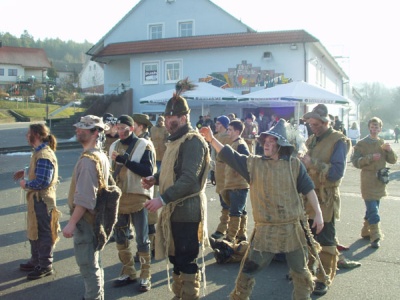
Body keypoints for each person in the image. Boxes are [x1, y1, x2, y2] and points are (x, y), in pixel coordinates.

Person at [200, 119, 324, 300]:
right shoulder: (254, 164)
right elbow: (230, 156)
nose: (266, 144)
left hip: (291, 230)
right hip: (266, 232)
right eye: (265, 141)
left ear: (281, 145)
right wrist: (212, 139)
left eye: (272, 141)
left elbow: (309, 189)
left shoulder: (293, 165)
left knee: (301, 273)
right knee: (247, 273)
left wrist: (319, 214)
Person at [143, 79, 210, 300]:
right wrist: (155, 178)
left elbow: (189, 179)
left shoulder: (192, 142)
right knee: (175, 256)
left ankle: (189, 295)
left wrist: (162, 198)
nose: (168, 122)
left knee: (186, 257)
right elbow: (172, 170)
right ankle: (180, 293)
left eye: (172, 119)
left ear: (183, 118)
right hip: (175, 210)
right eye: (168, 118)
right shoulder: (177, 140)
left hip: (187, 211)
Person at [301, 104, 351, 295]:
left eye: (316, 124)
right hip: (308, 196)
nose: (312, 127)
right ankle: (307, 271)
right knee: (308, 235)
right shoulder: (312, 139)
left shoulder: (338, 141)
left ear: (325, 122)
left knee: (326, 239)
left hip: (326, 197)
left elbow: (336, 173)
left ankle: (324, 278)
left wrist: (311, 163)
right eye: (310, 124)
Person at [62, 115, 111, 299]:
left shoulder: (89, 160)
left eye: (83, 128)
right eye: (78, 127)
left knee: (88, 267)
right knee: (95, 264)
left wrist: (71, 223)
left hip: (86, 222)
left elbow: (84, 199)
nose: (78, 130)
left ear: (95, 133)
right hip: (95, 220)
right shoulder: (100, 156)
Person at [109, 114, 155, 292]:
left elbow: (148, 170)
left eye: (124, 128)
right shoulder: (114, 145)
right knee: (121, 236)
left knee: (142, 238)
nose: (120, 131)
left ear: (132, 127)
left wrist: (125, 161)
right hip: (119, 197)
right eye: (118, 128)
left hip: (138, 195)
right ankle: (128, 271)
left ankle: (145, 274)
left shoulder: (144, 144)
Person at [13, 123, 60, 280]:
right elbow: (38, 171)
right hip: (37, 200)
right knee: (34, 229)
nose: (27, 135)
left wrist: (25, 183)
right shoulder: (39, 153)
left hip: (43, 201)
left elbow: (42, 182)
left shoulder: (44, 155)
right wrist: (26, 171)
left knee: (44, 233)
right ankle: (36, 261)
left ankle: (45, 265)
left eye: (29, 133)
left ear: (37, 135)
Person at [351, 117, 397, 248]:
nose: (374, 129)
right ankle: (376, 236)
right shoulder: (361, 143)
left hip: (380, 180)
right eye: (372, 127)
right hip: (367, 180)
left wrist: (389, 151)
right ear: (369, 128)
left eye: (377, 127)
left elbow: (393, 160)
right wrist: (370, 158)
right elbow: (355, 161)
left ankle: (366, 231)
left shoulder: (382, 143)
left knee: (373, 207)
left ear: (380, 129)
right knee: (373, 209)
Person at [132, 113, 158, 260]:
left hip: (145, 186)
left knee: (146, 220)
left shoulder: (144, 142)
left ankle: (148, 249)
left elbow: (147, 169)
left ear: (140, 126)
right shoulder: (140, 141)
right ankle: (151, 247)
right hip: (145, 185)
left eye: (133, 124)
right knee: (147, 219)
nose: (131, 127)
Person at [210, 115, 236, 240]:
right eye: (217, 123)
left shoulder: (229, 138)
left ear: (225, 125)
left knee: (230, 203)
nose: (217, 125)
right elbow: (213, 156)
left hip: (228, 172)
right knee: (223, 201)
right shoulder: (215, 136)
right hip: (218, 171)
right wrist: (212, 170)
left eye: (219, 123)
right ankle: (224, 227)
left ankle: (225, 227)